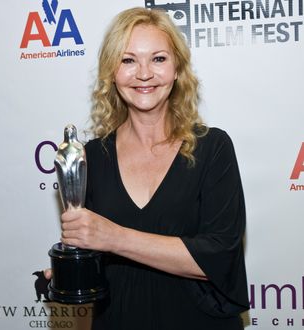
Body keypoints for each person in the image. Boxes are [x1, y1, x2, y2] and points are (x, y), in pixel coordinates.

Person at [47, 7, 249, 330]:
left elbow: (219, 256)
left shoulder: (214, 148)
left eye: (158, 59)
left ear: (177, 69)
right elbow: (94, 255)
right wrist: (71, 269)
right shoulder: (91, 157)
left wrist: (113, 237)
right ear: (112, 72)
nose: (144, 74)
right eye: (128, 60)